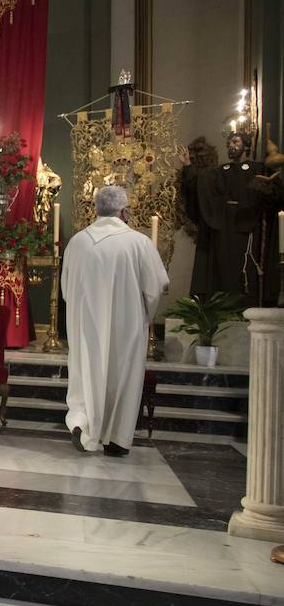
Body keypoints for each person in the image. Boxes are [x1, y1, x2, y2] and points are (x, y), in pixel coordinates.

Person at [61, 186, 169, 457]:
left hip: (85, 324)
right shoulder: (138, 242)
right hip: (126, 325)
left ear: (96, 209)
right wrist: (146, 315)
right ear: (123, 211)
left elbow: (65, 289)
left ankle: (82, 424)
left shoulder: (77, 242)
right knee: (121, 376)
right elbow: (155, 287)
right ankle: (117, 440)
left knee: (86, 372)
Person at [180, 132, 281, 305]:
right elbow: (201, 187)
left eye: (235, 141)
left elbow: (275, 197)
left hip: (249, 230)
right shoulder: (220, 172)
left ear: (247, 146)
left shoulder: (259, 169)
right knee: (222, 270)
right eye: (228, 142)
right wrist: (188, 166)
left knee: (246, 272)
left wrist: (268, 189)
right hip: (224, 230)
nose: (230, 145)